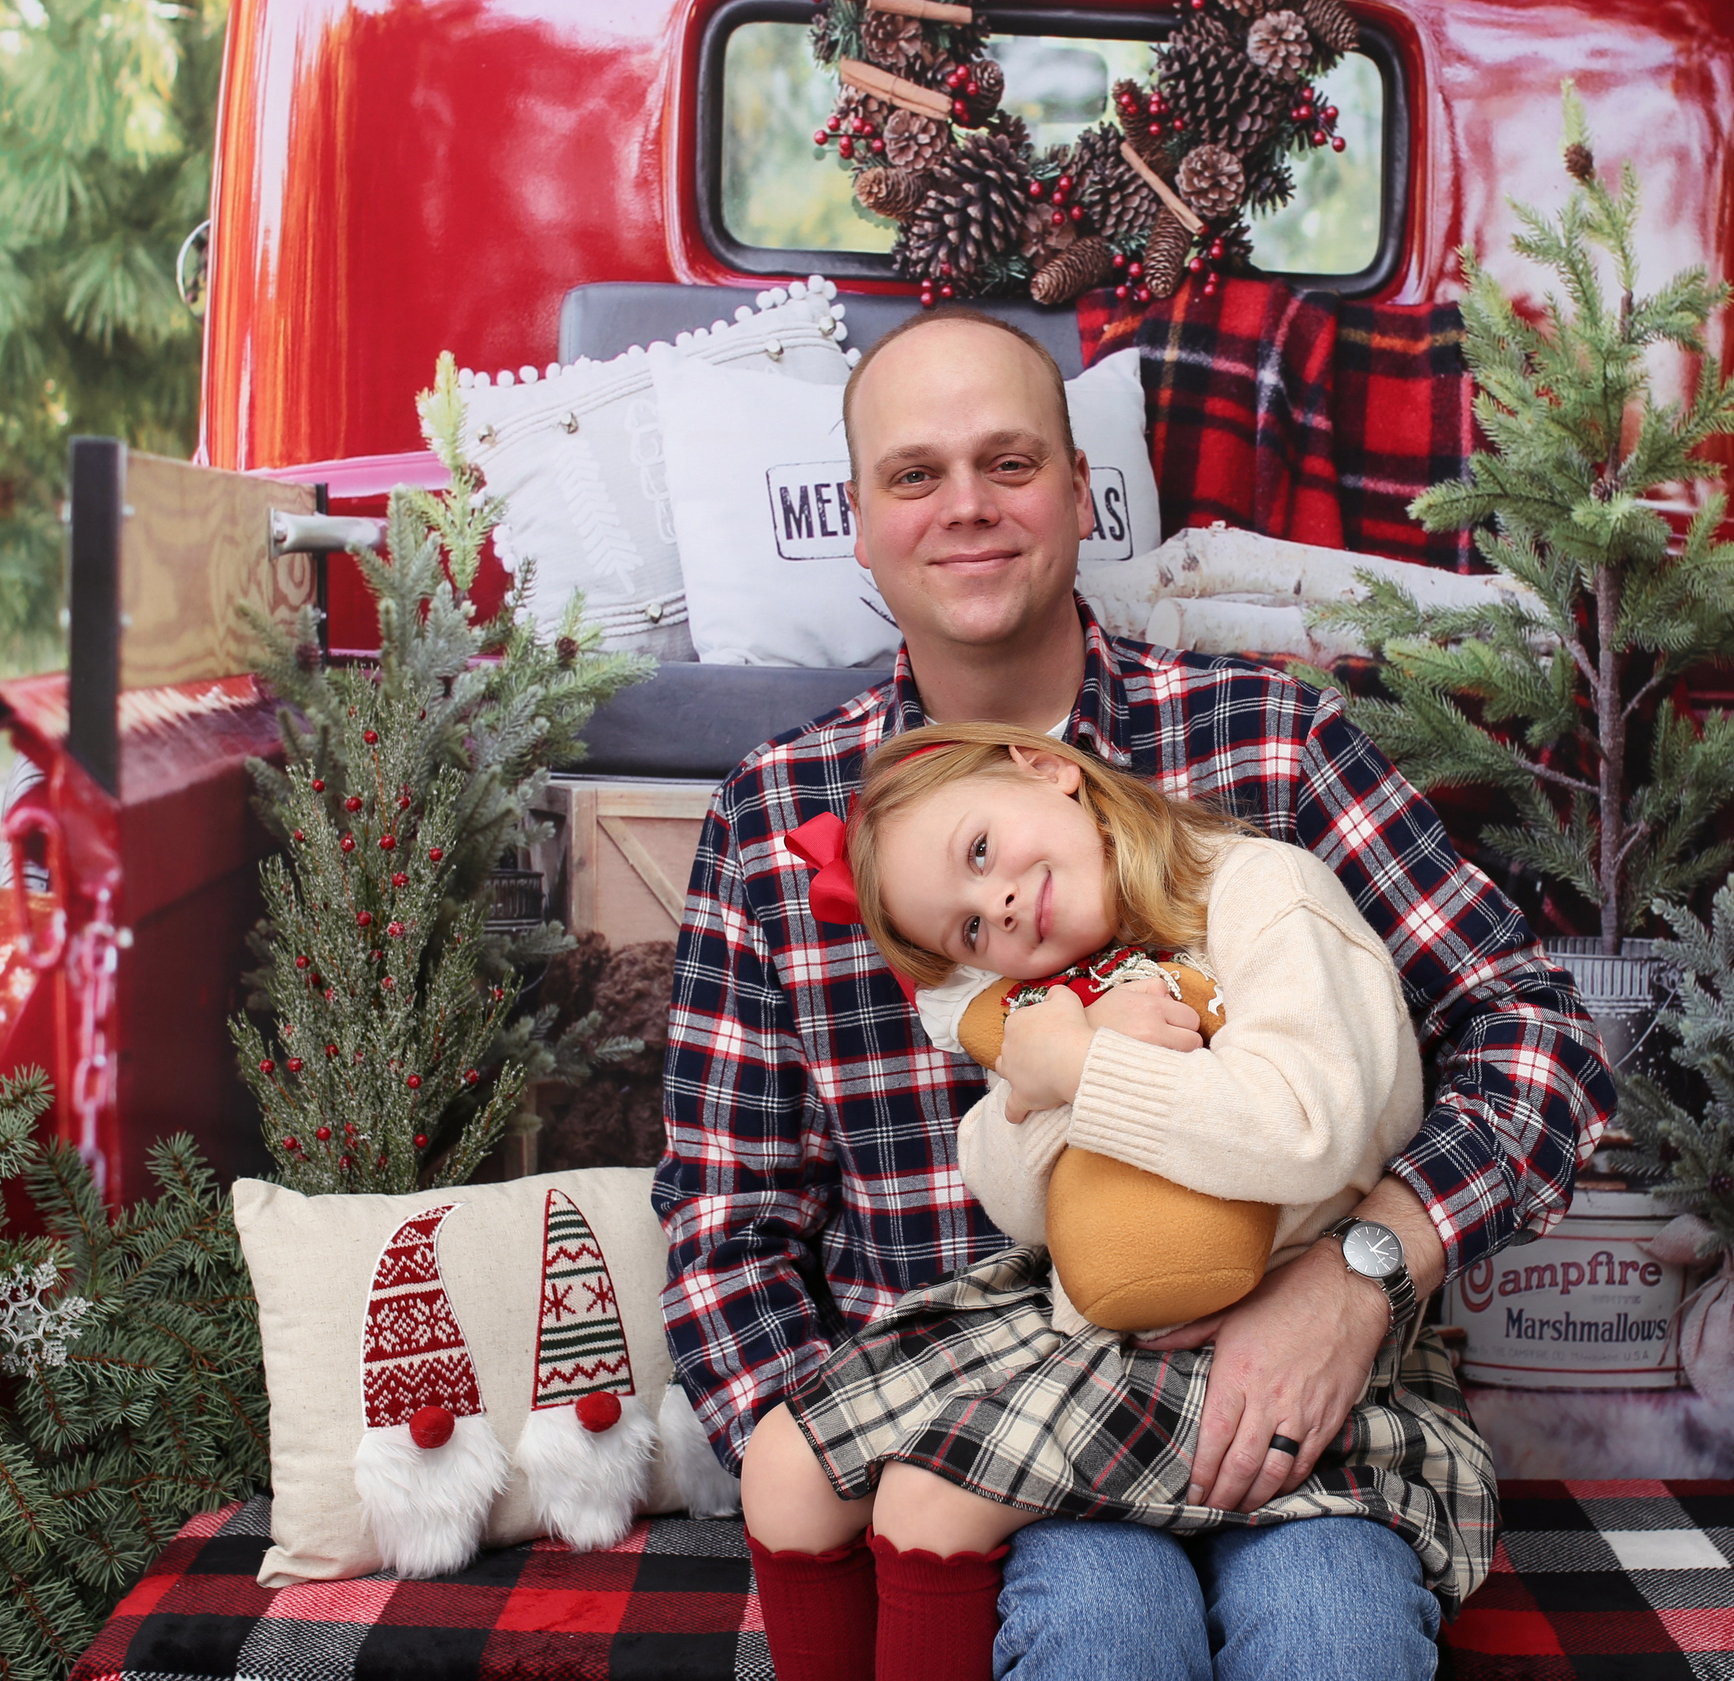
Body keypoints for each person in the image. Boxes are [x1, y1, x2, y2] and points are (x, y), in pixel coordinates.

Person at [654, 307, 1615, 1680]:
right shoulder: (775, 818)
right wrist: (862, 1473)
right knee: (1103, 1626)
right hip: (990, 1442)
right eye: (916, 475)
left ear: (1080, 490)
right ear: (857, 522)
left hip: (1309, 1402)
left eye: (1009, 462)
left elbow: (1537, 1034)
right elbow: (726, 1225)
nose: (967, 506)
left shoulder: (1269, 741)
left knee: (1335, 1630)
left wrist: (1361, 1273)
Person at [736, 722, 1501, 1681]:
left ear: (1049, 769)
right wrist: (1061, 1063)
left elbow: (1308, 1127)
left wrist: (1084, 1069)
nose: (997, 907)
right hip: (1105, 1337)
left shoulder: (1265, 890)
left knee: (938, 1501)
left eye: (982, 850)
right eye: (968, 930)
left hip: (1303, 1354)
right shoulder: (1061, 983)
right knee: (781, 1467)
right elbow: (1013, 1194)